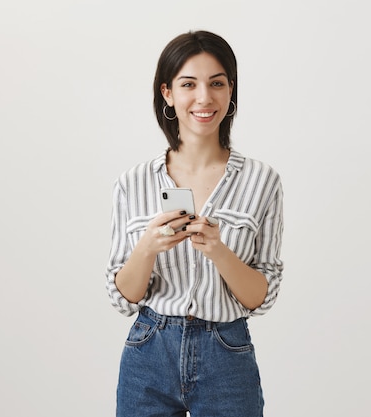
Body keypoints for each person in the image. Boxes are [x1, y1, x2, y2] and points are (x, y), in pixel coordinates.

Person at [105, 30, 284, 416]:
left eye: (216, 83)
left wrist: (219, 251)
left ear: (230, 90)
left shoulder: (261, 180)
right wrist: (147, 247)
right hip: (148, 352)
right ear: (167, 93)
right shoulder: (133, 182)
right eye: (189, 84)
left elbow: (261, 297)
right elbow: (123, 297)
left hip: (227, 353)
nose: (204, 98)